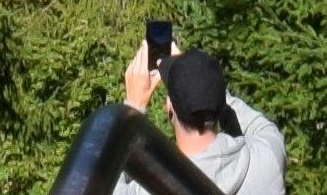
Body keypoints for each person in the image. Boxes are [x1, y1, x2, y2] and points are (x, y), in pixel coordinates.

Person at [117, 39, 285, 195]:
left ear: (170, 109)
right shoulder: (267, 160)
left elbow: (104, 181)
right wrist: (200, 80)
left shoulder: (149, 189)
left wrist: (133, 108)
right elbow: (259, 125)